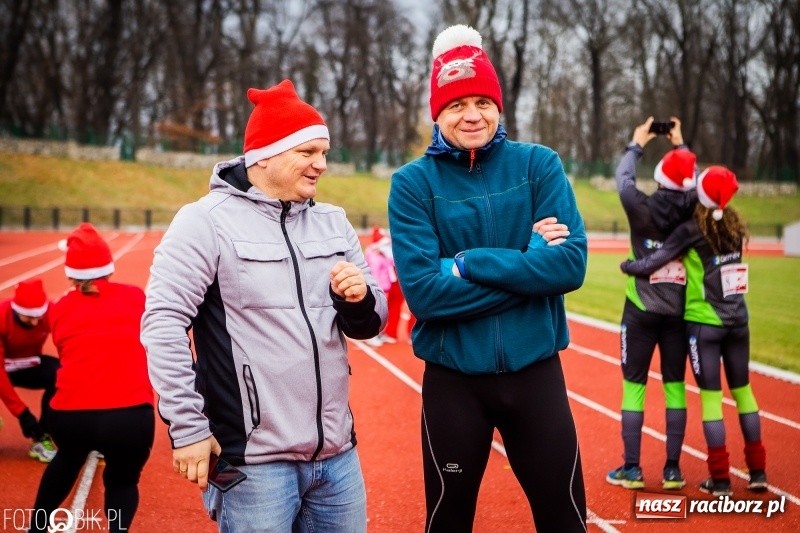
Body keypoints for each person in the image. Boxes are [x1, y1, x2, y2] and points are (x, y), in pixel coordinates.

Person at [141, 79, 388, 533]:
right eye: (309, 152)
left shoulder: (333, 222)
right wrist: (188, 427)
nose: (322, 165)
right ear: (267, 154)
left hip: (337, 459)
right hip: (254, 465)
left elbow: (371, 324)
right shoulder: (204, 222)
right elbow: (163, 323)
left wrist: (359, 300)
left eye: (324, 152)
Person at [388, 24, 588, 532]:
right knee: (447, 521)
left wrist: (470, 262)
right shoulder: (412, 185)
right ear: (437, 113)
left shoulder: (540, 165)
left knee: (565, 520)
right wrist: (528, 265)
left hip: (536, 375)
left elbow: (569, 266)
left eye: (482, 101)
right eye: (456, 105)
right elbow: (426, 297)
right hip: (454, 384)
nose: (472, 114)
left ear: (499, 106)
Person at [621, 166, 768, 497]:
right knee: (744, 393)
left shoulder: (691, 230)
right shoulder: (733, 226)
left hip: (705, 325)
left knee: (712, 401)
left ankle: (720, 480)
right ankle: (757, 472)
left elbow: (653, 261)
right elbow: (711, 191)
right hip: (739, 322)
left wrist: (628, 266)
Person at [28, 223, 155, 533]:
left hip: (72, 416)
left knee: (68, 460)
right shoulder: (136, 297)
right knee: (123, 480)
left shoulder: (58, 309)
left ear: (70, 271)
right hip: (132, 416)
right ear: (108, 265)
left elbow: (64, 347)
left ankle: (36, 528)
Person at [606, 117, 698, 491]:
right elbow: (700, 181)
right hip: (678, 314)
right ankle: (673, 470)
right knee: (675, 388)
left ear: (660, 177)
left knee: (634, 386)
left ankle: (632, 469)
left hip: (640, 310)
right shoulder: (695, 207)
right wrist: (680, 144)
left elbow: (624, 178)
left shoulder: (637, 205)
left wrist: (637, 143)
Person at [0, 278, 58, 462]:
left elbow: (68, 345)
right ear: (17, 311)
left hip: (28, 364)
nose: (34, 322)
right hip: (3, 367)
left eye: (38, 317)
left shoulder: (51, 311)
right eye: (29, 317)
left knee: (62, 374)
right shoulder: (1, 315)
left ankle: (41, 436)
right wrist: (23, 414)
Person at [364, 231, 399, 347]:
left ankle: (378, 334)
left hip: (385, 287)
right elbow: (374, 273)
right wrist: (377, 288)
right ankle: (371, 336)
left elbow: (393, 263)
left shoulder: (382, 254)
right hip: (378, 288)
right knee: (374, 311)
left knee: (382, 311)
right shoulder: (374, 256)